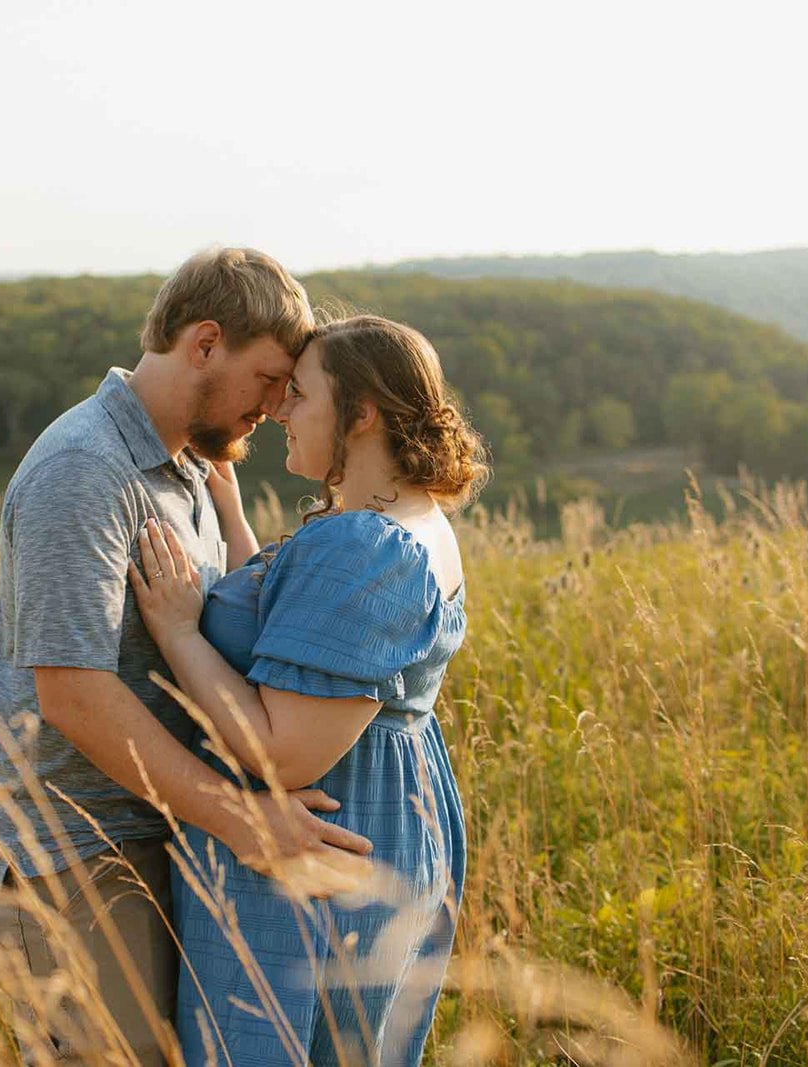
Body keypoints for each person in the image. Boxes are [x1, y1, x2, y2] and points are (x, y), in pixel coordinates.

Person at [0, 247, 374, 1066]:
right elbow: (73, 695)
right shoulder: (83, 471)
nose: (277, 403)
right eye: (268, 378)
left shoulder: (187, 461)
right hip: (76, 852)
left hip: (159, 830)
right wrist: (245, 820)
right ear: (204, 343)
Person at [128, 315, 489, 1065]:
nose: (279, 411)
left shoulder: (366, 547)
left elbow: (283, 751)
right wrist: (230, 515)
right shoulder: (401, 519)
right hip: (378, 822)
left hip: (314, 855)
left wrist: (180, 633)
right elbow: (299, 635)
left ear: (361, 414)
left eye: (300, 395)